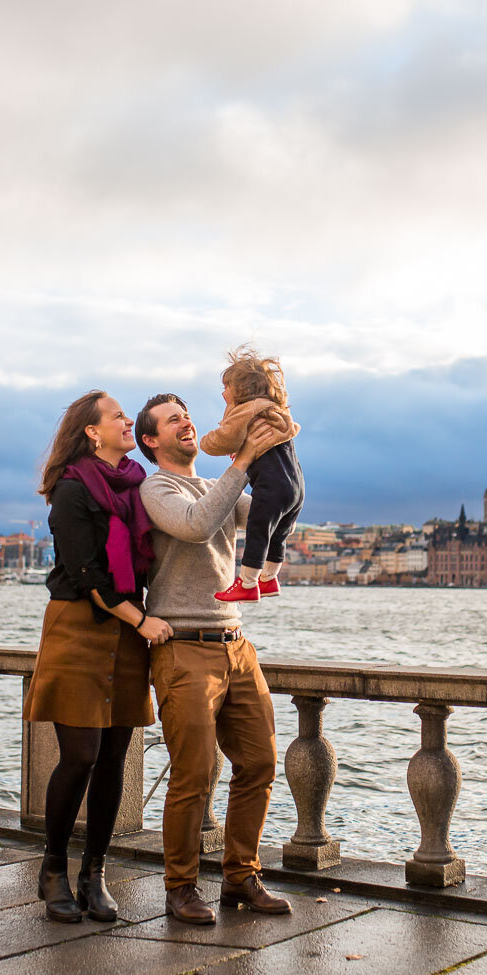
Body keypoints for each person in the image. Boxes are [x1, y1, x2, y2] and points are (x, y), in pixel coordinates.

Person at [134, 391, 293, 925]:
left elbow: (266, 510)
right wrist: (242, 463)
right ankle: (180, 886)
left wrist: (279, 455)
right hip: (183, 649)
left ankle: (240, 878)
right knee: (194, 775)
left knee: (260, 764)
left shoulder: (212, 484)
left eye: (186, 415)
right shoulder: (156, 488)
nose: (186, 423)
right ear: (151, 440)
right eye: (171, 420)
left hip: (236, 644)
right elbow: (199, 524)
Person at [24, 390, 173, 923]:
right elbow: (87, 576)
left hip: (129, 629)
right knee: (81, 755)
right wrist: (143, 620)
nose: (127, 421)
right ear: (92, 431)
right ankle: (52, 869)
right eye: (117, 416)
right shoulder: (71, 492)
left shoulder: (137, 485)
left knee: (113, 759)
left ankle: (94, 873)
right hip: (80, 629)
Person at [200, 347, 302, 603]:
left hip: (271, 485)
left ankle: (247, 583)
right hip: (296, 486)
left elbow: (224, 439)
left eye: (226, 387)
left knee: (259, 530)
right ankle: (269, 579)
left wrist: (206, 442)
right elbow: (293, 429)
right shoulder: (277, 410)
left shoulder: (247, 409)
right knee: (278, 533)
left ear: (241, 390)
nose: (223, 392)